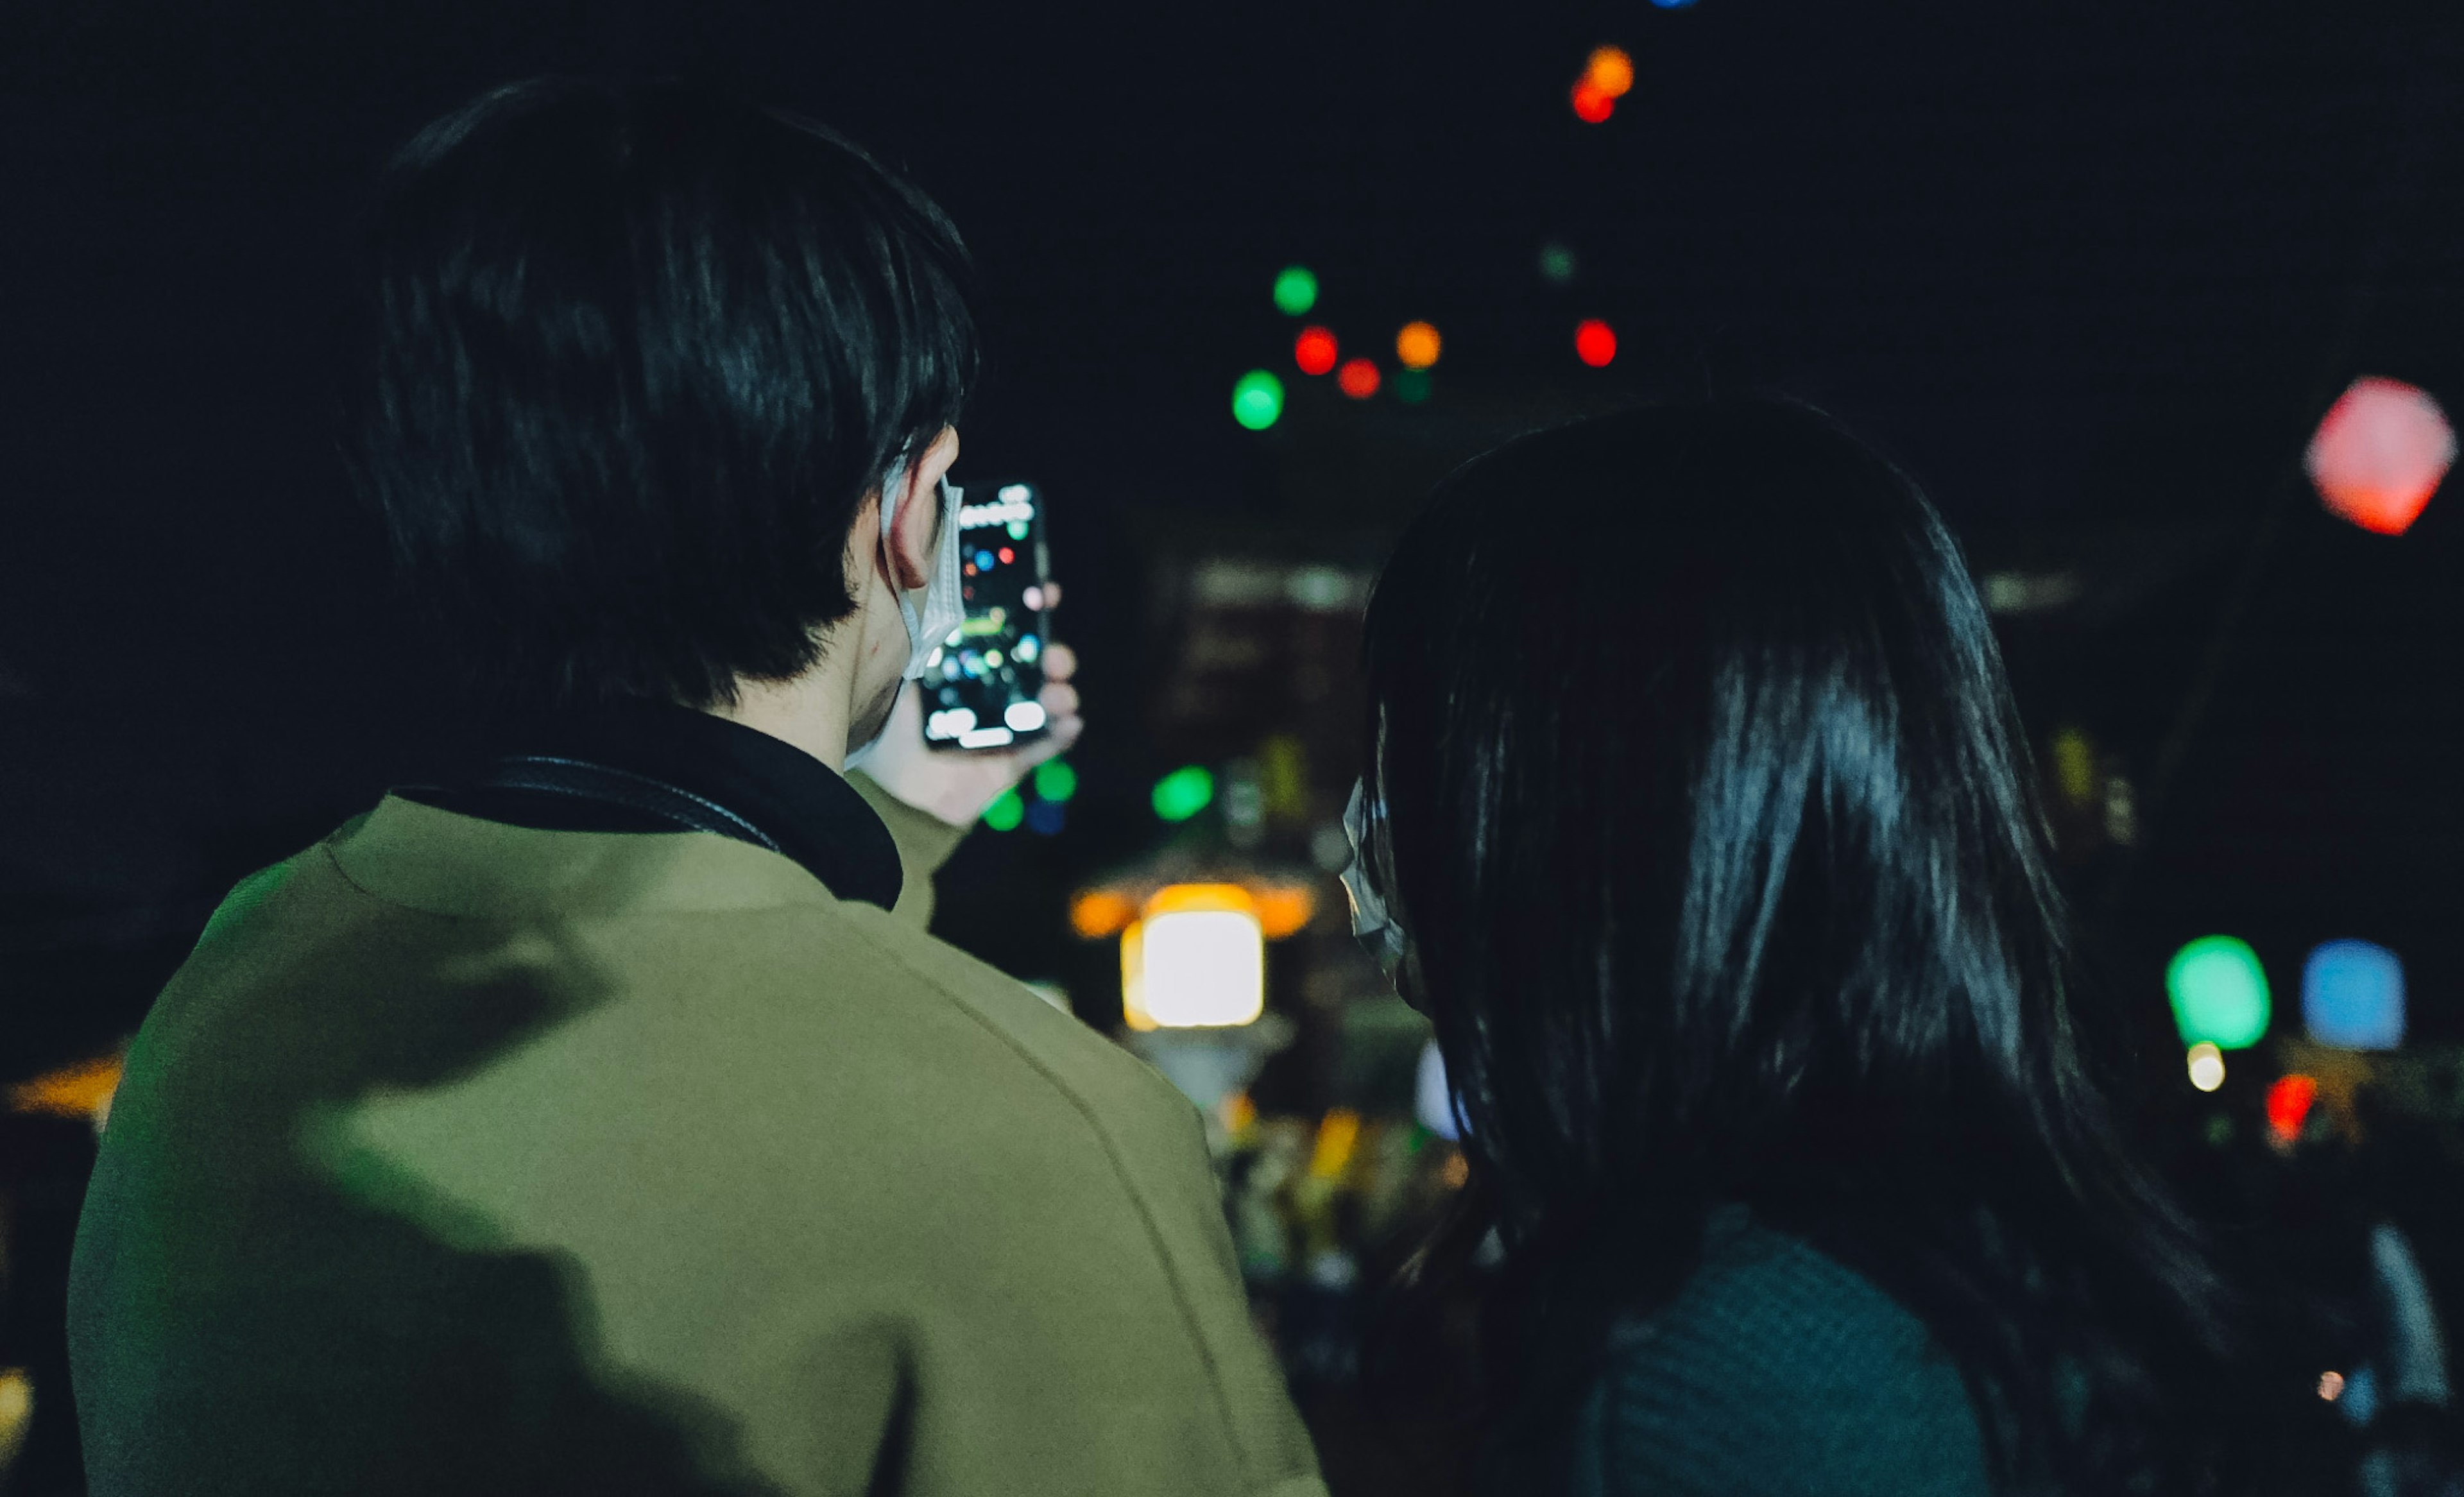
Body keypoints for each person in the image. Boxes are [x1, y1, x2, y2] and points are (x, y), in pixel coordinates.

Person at [67, 78, 1326, 1497]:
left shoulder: (233, 989)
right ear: (919, 514)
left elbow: (690, 999)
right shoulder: (1047, 1130)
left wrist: (899, 819)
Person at [1344, 399, 2240, 1495]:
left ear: (1579, 812)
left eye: (1417, 758)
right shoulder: (1990, 1271)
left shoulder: (1718, 1389)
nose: (1371, 828)